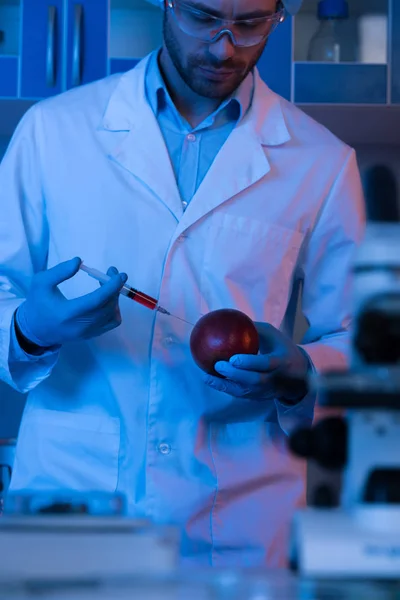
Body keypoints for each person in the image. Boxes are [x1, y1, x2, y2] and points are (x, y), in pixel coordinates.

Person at [0, 0, 364, 568]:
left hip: (237, 518)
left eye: (250, 25)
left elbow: (362, 343)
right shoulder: (53, 131)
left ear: (279, 13)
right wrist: (29, 328)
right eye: (203, 17)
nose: (225, 47)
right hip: (75, 494)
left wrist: (301, 371)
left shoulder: (321, 161)